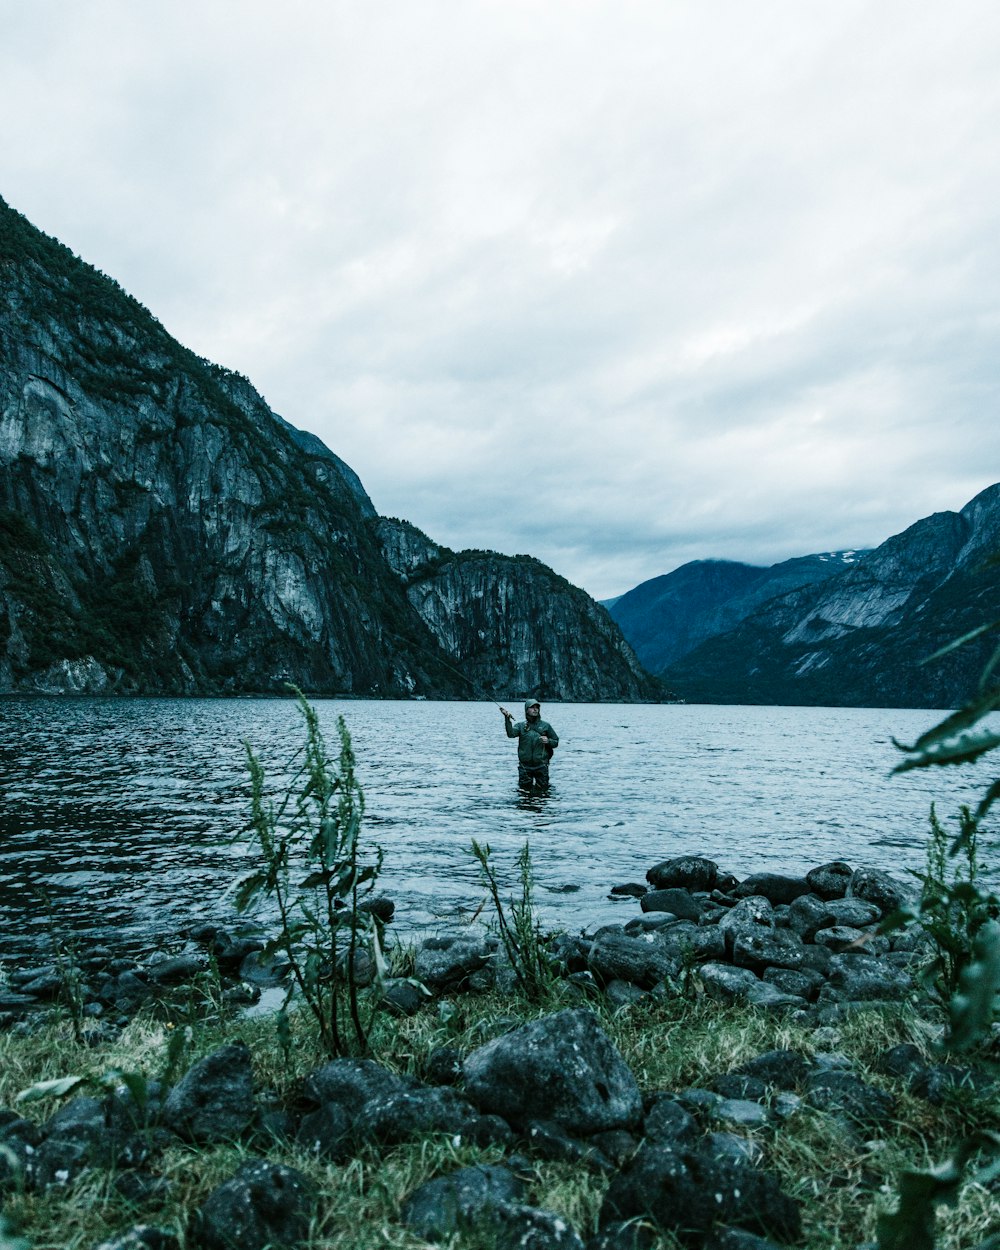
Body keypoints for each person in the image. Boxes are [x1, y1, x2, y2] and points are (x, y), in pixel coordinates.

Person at [500, 700, 559, 790]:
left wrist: (548, 741)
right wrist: (507, 719)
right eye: (532, 707)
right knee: (524, 791)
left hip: (541, 765)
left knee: (543, 791)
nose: (535, 710)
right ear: (526, 710)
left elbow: (556, 741)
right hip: (525, 766)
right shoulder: (520, 726)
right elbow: (511, 734)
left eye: (537, 707)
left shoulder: (546, 726)